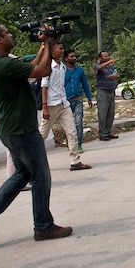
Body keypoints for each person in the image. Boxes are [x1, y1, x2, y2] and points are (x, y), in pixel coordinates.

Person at [0, 24, 73, 246]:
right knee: (41, 176)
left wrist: (44, 44)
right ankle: (43, 226)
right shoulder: (4, 64)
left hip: (11, 128)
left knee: (22, 175)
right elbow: (43, 71)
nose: (11, 35)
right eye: (7, 33)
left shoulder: (0, 63)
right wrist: (48, 42)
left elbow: (33, 67)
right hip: (21, 129)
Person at [39, 42, 91, 171]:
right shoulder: (48, 67)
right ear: (52, 51)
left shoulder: (62, 66)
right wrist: (44, 106)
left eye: (63, 48)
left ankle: (75, 161)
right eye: (60, 49)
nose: (62, 51)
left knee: (72, 131)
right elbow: (44, 86)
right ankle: (34, 162)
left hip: (63, 103)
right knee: (42, 135)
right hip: (51, 105)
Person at [63, 48, 93, 153]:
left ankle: (79, 144)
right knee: (69, 124)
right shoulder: (62, 70)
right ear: (66, 58)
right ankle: (70, 143)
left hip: (78, 99)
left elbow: (85, 84)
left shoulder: (79, 70)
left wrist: (89, 98)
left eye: (74, 56)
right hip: (66, 100)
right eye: (71, 56)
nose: (74, 58)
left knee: (78, 123)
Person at [95, 51, 120, 142]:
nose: (107, 57)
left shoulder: (110, 67)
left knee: (110, 113)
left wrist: (115, 77)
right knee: (103, 112)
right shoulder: (98, 65)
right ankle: (102, 133)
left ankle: (108, 131)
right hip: (102, 91)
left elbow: (117, 75)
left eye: (108, 55)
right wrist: (109, 62)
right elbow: (100, 68)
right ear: (100, 58)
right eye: (105, 56)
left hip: (111, 90)